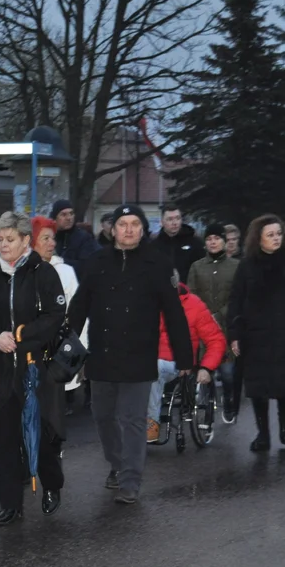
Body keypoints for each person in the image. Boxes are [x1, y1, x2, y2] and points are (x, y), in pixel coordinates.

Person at [68, 204, 192, 504]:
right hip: (102, 353)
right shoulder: (97, 261)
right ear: (113, 229)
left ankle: (130, 480)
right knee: (103, 417)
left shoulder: (157, 263)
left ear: (142, 229)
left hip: (139, 354)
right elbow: (79, 307)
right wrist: (65, 347)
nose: (128, 229)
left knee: (133, 419)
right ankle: (117, 463)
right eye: (122, 224)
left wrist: (185, 357)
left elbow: (174, 313)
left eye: (134, 224)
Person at [0, 213, 66, 526]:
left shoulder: (44, 274)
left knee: (38, 434)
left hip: (34, 368)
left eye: (10, 240)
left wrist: (22, 336)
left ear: (26, 241)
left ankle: (51, 484)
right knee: (7, 438)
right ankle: (10, 504)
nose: (3, 245)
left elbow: (55, 314)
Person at [227, 214, 285, 452]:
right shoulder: (247, 265)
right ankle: (262, 433)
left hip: (284, 332)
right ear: (259, 238)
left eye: (279, 234)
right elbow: (235, 299)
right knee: (257, 386)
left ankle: (284, 421)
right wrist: (234, 333)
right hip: (254, 333)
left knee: (284, 382)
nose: (276, 238)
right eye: (270, 235)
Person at [146, 271, 227, 442]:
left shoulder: (195, 306)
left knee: (153, 369)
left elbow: (216, 340)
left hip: (176, 362)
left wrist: (206, 367)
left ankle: (151, 422)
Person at [187, 223, 241, 423]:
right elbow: (191, 295)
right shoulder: (197, 267)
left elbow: (238, 296)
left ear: (224, 242)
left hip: (226, 330)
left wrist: (220, 315)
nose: (213, 242)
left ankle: (228, 400)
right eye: (209, 239)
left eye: (217, 238)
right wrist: (204, 316)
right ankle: (206, 411)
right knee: (204, 372)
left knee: (227, 373)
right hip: (203, 330)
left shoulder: (235, 266)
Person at [31, 215, 86, 397]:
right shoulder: (20, 273)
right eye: (45, 238)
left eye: (53, 238)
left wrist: (81, 354)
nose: (52, 244)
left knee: (54, 412)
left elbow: (79, 314)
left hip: (58, 355)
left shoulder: (66, 272)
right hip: (29, 354)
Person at [152, 204, 204, 280]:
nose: (174, 222)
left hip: (189, 289)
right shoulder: (154, 246)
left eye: (177, 218)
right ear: (162, 222)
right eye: (170, 219)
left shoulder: (195, 243)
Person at [51, 200, 98, 277]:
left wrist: (62, 262)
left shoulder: (84, 238)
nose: (69, 218)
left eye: (71, 213)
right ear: (55, 218)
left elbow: (87, 266)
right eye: (63, 214)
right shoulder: (51, 237)